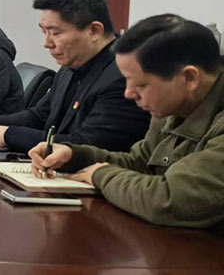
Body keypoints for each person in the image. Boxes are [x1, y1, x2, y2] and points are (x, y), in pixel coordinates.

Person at [31, 14, 224, 229]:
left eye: (140, 85)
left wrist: (100, 175)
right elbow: (140, 163)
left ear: (189, 78)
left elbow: (168, 201)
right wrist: (76, 156)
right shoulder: (172, 107)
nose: (128, 94)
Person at [0, 0, 149, 153]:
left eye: (56, 33)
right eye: (43, 32)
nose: (47, 43)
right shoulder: (72, 65)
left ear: (95, 30)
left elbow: (91, 145)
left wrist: (9, 135)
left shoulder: (124, 76)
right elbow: (39, 116)